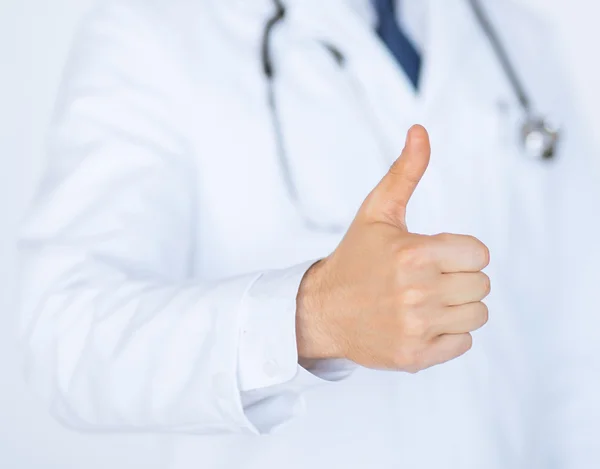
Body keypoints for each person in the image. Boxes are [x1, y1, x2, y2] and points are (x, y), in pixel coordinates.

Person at [17, 0, 600, 468]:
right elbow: (66, 339)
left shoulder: (518, 40)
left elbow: (577, 337)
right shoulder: (154, 33)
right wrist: (312, 316)